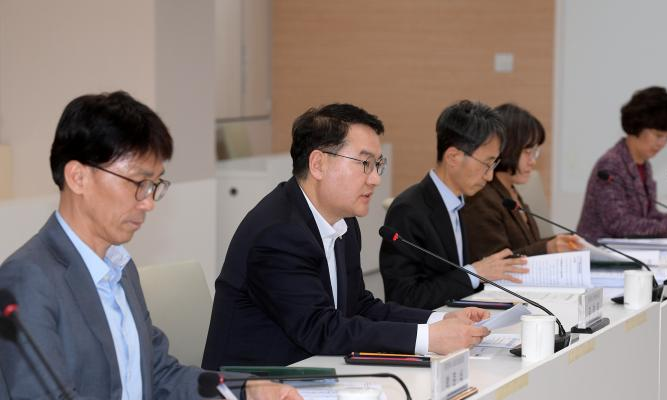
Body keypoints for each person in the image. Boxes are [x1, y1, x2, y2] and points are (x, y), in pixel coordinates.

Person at [0, 91, 302, 400]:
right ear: (78, 177)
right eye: (139, 183)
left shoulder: (119, 267)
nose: (148, 202)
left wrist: (244, 389)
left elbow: (159, 373)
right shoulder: (28, 277)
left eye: (155, 185)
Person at [202, 103, 490, 369]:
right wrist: (428, 338)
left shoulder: (343, 222)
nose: (375, 178)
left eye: (377, 165)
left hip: (313, 371)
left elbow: (358, 306)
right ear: (318, 164)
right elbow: (321, 329)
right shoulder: (278, 233)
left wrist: (439, 320)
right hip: (254, 385)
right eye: (364, 163)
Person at [379, 100, 528, 310]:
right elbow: (404, 298)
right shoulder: (408, 210)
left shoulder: (461, 201)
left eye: (494, 164)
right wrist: (475, 273)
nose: (490, 176)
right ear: (453, 157)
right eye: (486, 164)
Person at [576, 86, 667, 242]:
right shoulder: (610, 165)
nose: (662, 144)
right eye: (658, 135)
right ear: (638, 125)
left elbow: (647, 216)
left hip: (628, 250)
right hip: (599, 252)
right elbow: (619, 224)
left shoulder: (644, 165)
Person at [463, 103, 581, 260]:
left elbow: (527, 245)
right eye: (527, 152)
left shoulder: (510, 190)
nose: (533, 161)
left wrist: (564, 241)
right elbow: (495, 262)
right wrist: (547, 248)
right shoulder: (481, 198)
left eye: (535, 152)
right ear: (505, 148)